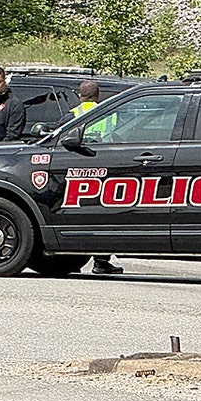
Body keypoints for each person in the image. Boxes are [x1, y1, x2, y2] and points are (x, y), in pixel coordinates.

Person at [69, 79, 123, 276]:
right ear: (98, 95)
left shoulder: (72, 114)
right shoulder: (109, 115)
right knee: (102, 215)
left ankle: (70, 256)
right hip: (102, 168)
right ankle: (101, 261)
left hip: (76, 169)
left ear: (79, 96)